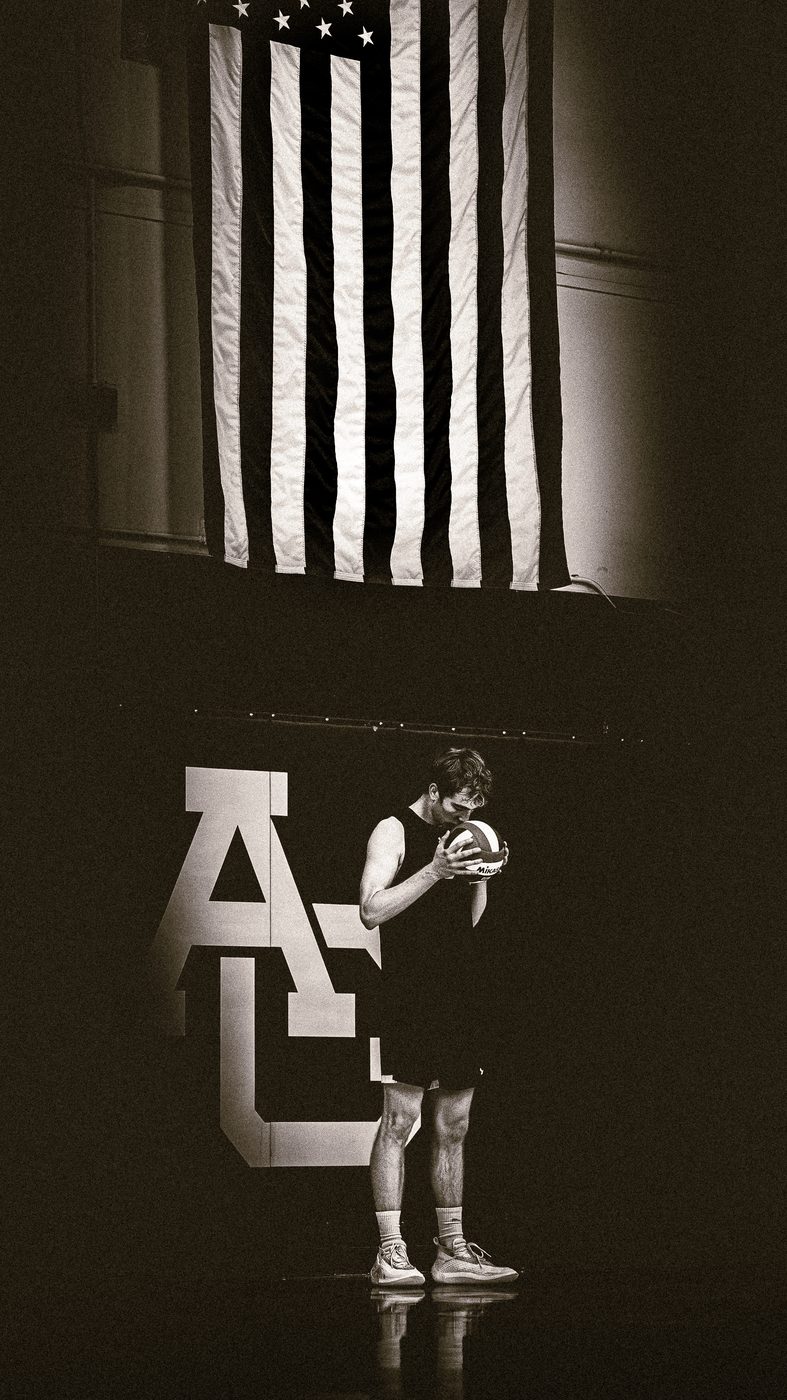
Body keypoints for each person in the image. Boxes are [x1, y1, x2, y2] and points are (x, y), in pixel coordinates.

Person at [359, 747, 519, 1288]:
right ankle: (390, 1251)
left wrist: (479, 878)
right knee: (400, 1124)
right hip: (407, 997)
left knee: (455, 1125)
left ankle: (450, 1250)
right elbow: (371, 910)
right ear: (433, 792)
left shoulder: (468, 833)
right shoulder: (394, 830)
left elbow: (469, 923)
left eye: (472, 810)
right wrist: (435, 869)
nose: (464, 819)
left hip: (458, 998)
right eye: (456, 807)